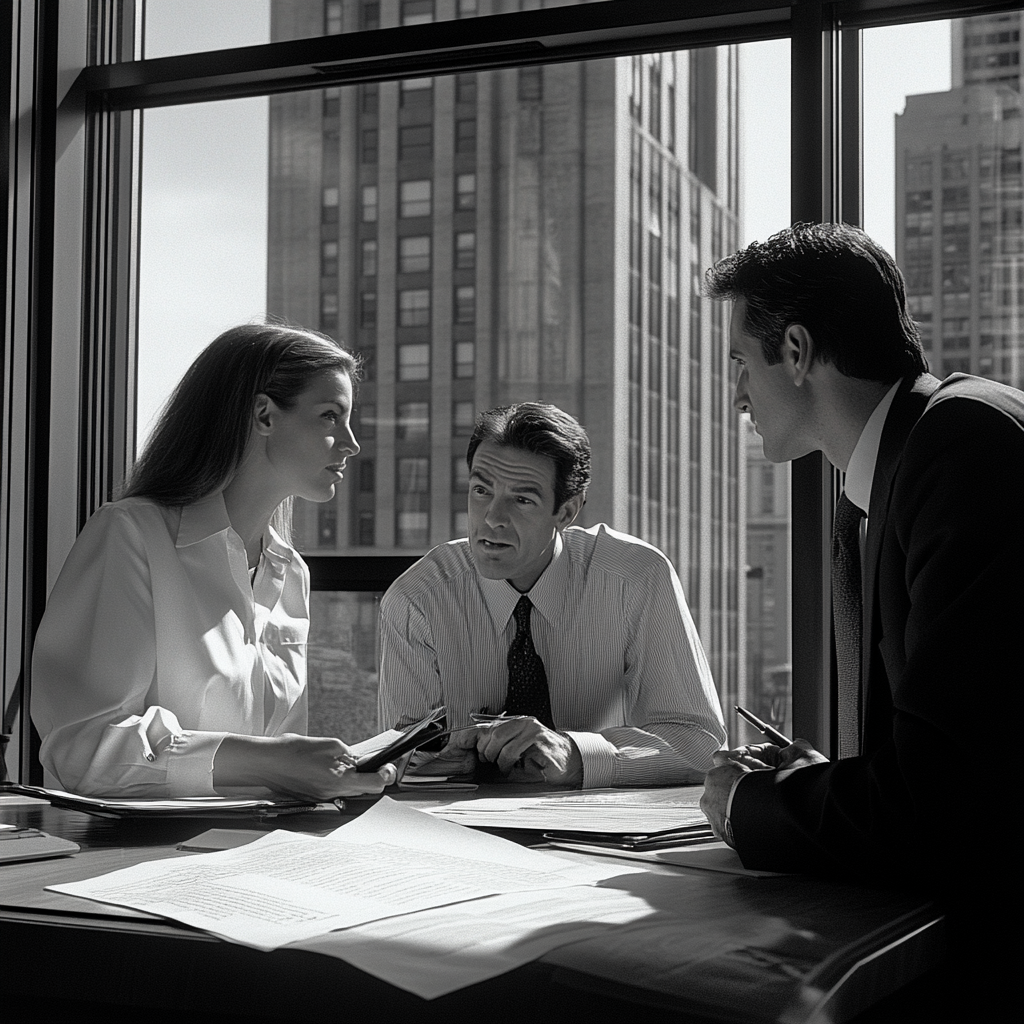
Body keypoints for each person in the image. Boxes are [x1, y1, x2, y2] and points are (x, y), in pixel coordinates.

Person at [699, 222, 1023, 1013]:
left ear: (799, 351)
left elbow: (942, 806)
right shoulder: (879, 490)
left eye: (742, 362)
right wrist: (818, 783)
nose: (736, 393)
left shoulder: (966, 446)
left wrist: (753, 806)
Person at [32, 322, 395, 800]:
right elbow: (86, 748)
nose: (352, 443)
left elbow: (284, 768)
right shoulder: (132, 536)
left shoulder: (290, 575)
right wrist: (273, 761)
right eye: (331, 416)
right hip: (130, 860)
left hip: (254, 850)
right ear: (264, 414)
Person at [378, 402, 726, 788]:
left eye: (522, 500)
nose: (493, 518)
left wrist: (577, 754)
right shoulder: (418, 599)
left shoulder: (635, 579)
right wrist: (440, 759)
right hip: (459, 830)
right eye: (481, 490)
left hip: (601, 826)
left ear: (567, 511)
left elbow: (700, 745)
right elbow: (393, 762)